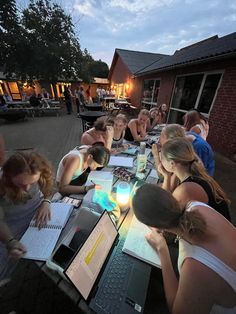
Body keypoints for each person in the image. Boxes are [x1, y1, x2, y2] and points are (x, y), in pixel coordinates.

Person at [132, 184, 236, 314]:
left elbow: (176, 311)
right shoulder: (195, 206)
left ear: (153, 226)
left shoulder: (195, 267)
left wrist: (162, 250)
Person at [0, 152, 53, 281]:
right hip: (11, 224)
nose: (28, 188)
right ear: (8, 177)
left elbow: (49, 190)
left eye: (32, 183)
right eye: (21, 184)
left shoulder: (42, 172)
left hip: (37, 214)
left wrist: (46, 202)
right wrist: (10, 241)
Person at [153, 137, 231, 221]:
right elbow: (168, 195)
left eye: (162, 159)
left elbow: (166, 213)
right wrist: (167, 176)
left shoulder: (186, 190)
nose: (161, 162)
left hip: (214, 232)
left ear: (172, 163)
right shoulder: (188, 171)